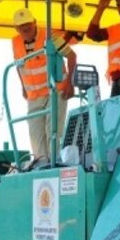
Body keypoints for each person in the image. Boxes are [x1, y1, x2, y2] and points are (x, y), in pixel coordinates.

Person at [11, 8, 77, 161]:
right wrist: (23, 87)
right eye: (21, 25)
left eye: (28, 23)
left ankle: (55, 163)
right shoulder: (15, 43)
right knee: (36, 136)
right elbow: (18, 66)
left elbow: (72, 56)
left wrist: (70, 84)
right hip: (33, 97)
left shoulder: (51, 37)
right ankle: (42, 166)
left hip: (55, 92)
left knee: (53, 132)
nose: (26, 28)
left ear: (34, 23)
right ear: (16, 28)